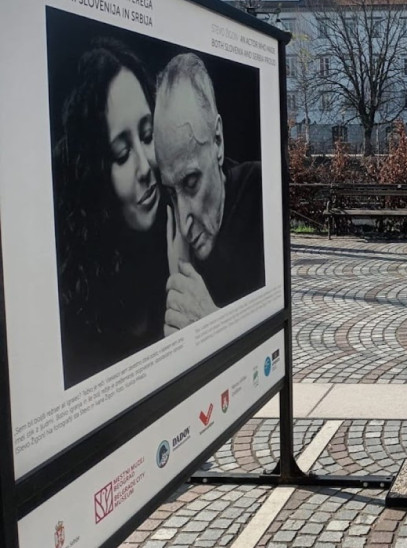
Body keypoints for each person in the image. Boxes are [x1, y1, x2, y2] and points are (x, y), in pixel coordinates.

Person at [52, 38, 167, 387]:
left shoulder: (182, 245)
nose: (145, 166)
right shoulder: (76, 313)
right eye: (121, 154)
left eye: (147, 135)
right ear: (93, 173)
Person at [153, 52, 264, 332]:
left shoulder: (259, 193)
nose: (184, 223)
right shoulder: (170, 237)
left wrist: (209, 321)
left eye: (191, 182)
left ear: (218, 140)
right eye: (172, 193)